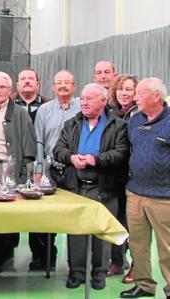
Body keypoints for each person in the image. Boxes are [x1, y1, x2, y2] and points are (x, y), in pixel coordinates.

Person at [53, 83, 129, 290]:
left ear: (103, 101)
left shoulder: (119, 125)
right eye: (83, 99)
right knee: (76, 232)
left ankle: (99, 274)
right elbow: (58, 149)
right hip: (76, 186)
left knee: (101, 234)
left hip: (104, 187)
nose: (84, 102)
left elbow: (121, 153)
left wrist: (96, 160)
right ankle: (76, 273)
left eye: (89, 99)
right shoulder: (72, 123)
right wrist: (71, 157)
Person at [0, 71, 36, 275]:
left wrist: (21, 176)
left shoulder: (20, 113)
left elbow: (29, 149)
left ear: (10, 91)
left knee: (3, 217)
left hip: (8, 168)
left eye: (2, 87)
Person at [119, 78, 170, 299]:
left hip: (164, 197)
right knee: (137, 244)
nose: (135, 97)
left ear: (156, 96)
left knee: (167, 247)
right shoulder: (134, 120)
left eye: (140, 93)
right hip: (135, 193)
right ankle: (144, 284)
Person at [31, 70, 81, 270]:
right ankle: (43, 257)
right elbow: (39, 141)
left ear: (74, 86)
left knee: (74, 215)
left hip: (74, 170)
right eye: (59, 83)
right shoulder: (44, 110)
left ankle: (75, 263)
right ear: (52, 87)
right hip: (50, 169)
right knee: (43, 215)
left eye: (67, 82)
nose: (63, 86)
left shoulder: (81, 108)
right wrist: (39, 169)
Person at [107, 74, 139, 282]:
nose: (124, 93)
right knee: (116, 221)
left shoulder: (139, 114)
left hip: (134, 177)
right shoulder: (110, 113)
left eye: (129, 89)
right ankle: (118, 262)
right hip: (113, 176)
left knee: (135, 225)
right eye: (120, 89)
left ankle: (138, 266)